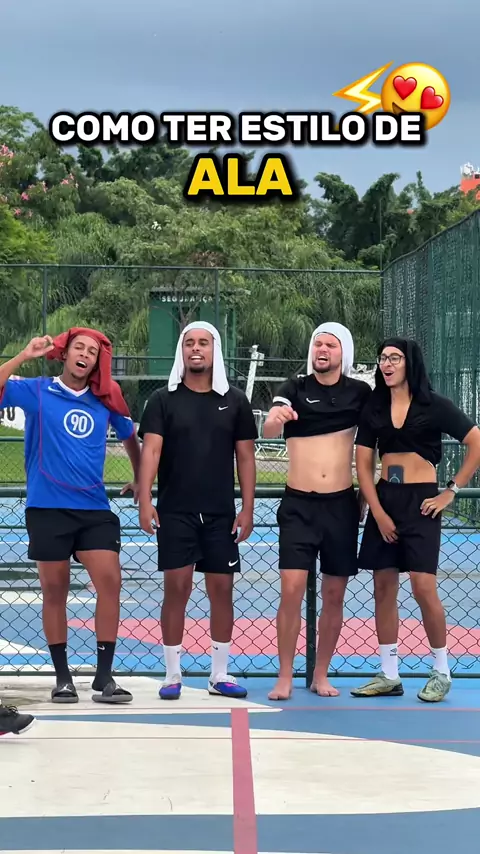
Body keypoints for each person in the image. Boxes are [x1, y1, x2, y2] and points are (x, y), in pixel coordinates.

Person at [0, 328, 141, 705]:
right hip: (47, 508)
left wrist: (141, 479)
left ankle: (104, 677)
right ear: (65, 353)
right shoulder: (38, 390)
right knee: (55, 591)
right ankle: (63, 679)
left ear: (97, 361)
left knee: (110, 581)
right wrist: (23, 356)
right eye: (79, 347)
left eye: (92, 351)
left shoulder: (105, 398)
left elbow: (130, 436)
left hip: (93, 508)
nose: (85, 355)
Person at [352, 337, 480, 702]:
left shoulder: (433, 404)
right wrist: (378, 511)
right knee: (383, 587)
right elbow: (363, 463)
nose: (387, 364)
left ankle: (441, 670)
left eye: (395, 358)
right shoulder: (375, 407)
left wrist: (450, 491)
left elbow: (476, 441)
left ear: (410, 363)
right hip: (385, 501)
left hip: (422, 503)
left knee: (423, 587)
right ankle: (389, 673)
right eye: (382, 358)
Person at [138, 321, 257, 700]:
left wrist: (248, 507)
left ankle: (219, 674)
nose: (195, 348)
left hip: (221, 514)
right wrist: (145, 499)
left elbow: (245, 457)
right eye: (189, 342)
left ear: (214, 350)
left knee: (222, 591)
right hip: (175, 512)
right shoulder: (162, 400)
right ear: (182, 350)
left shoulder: (235, 401)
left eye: (203, 342)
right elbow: (151, 450)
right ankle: (172, 675)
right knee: (177, 590)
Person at [264, 322, 372, 701]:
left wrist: (367, 492)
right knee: (291, 590)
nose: (322, 350)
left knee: (334, 594)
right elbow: (270, 426)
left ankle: (320, 674)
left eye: (330, 345)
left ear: (344, 352)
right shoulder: (294, 388)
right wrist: (275, 421)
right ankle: (284, 676)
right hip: (299, 505)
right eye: (318, 344)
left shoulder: (360, 393)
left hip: (341, 506)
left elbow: (373, 444)